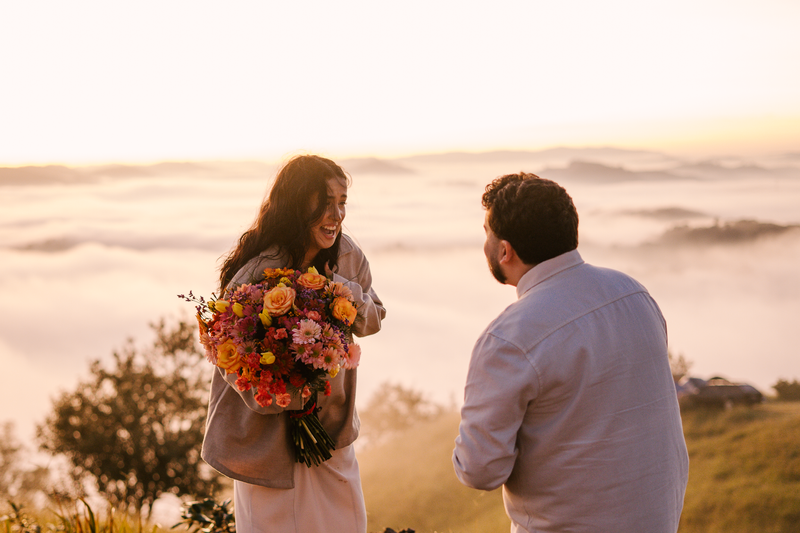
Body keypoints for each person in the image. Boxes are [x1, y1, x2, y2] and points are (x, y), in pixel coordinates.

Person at [452, 172, 688, 532]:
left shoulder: (509, 339)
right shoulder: (634, 293)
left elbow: (478, 471)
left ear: (505, 250)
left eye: (487, 233)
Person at [202, 155, 386, 533]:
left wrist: (340, 290)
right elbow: (224, 350)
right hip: (268, 441)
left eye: (342, 202)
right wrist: (283, 395)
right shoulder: (258, 269)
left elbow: (374, 318)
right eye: (325, 203)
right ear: (298, 203)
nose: (337, 215)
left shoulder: (347, 254)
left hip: (330, 430)